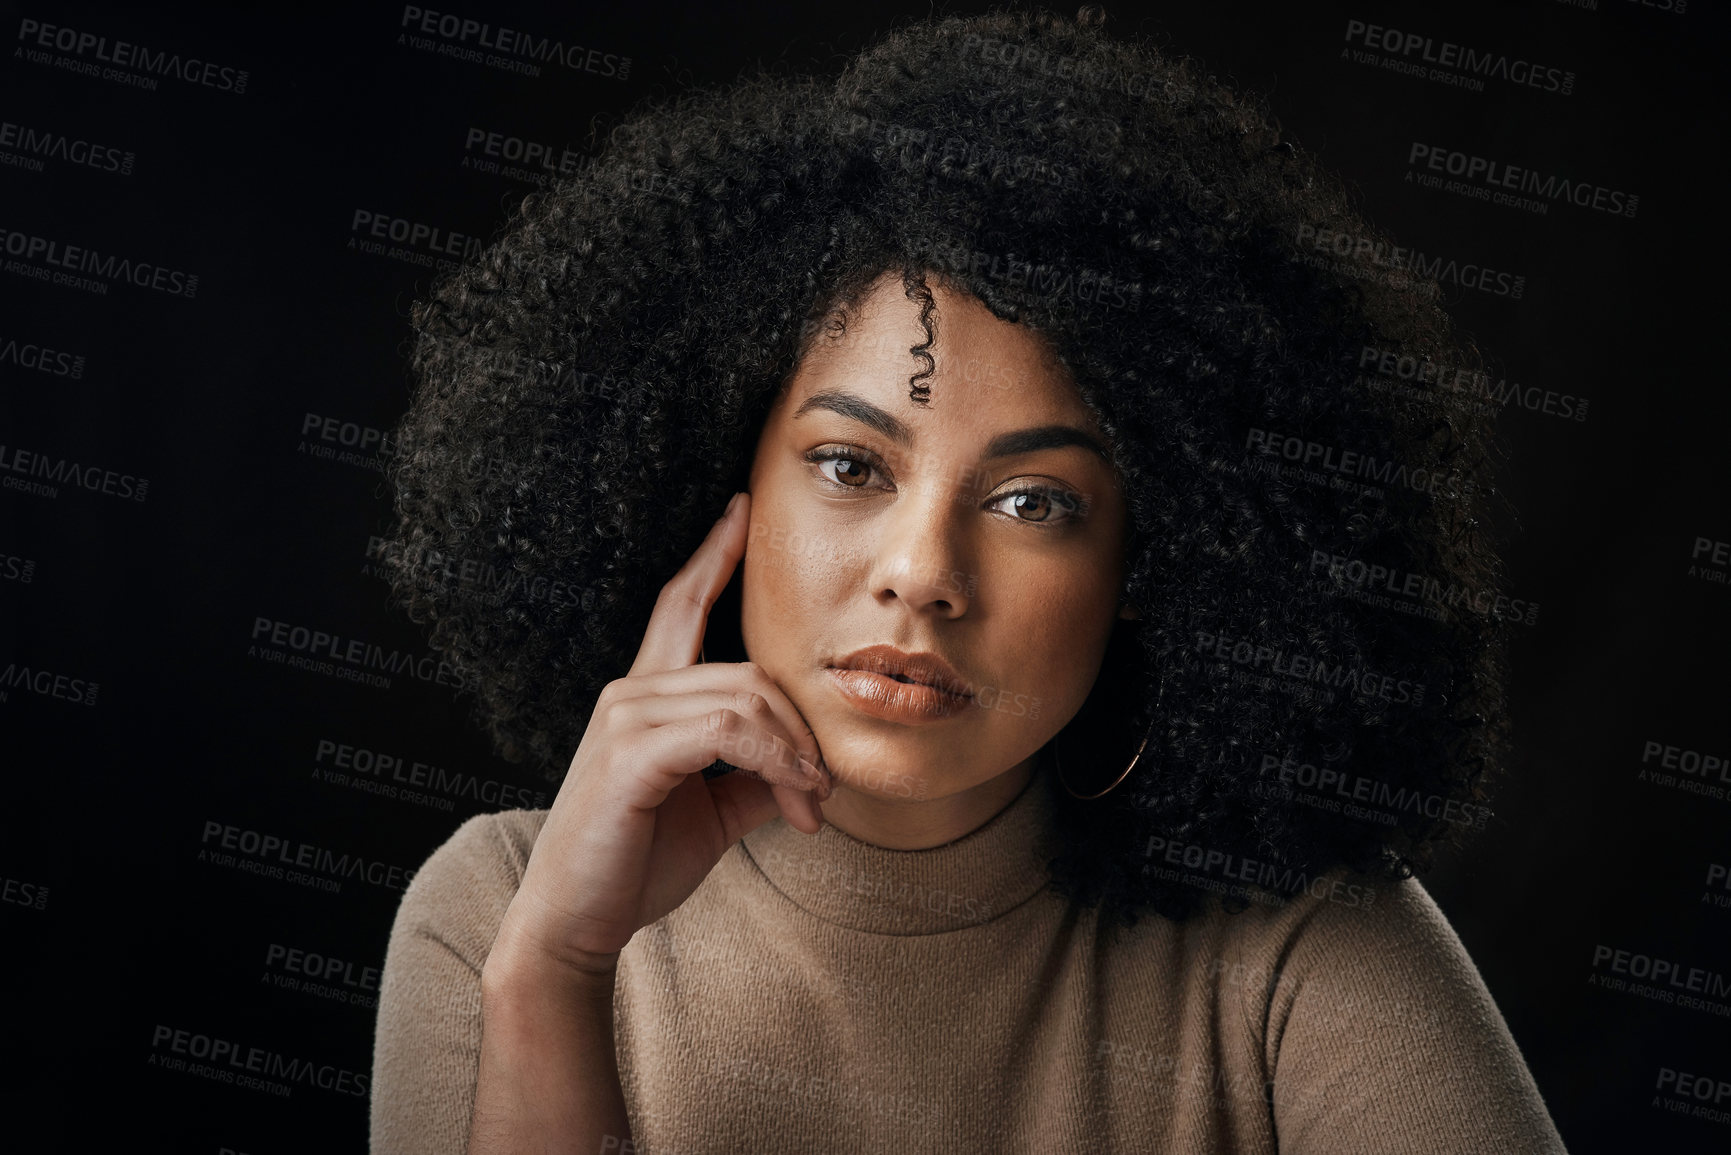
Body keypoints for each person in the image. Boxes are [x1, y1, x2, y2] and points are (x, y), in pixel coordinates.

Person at [369, 6, 1569, 1152]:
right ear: (712, 489)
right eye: (848, 464)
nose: (922, 574)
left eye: (1032, 503)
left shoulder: (1302, 954)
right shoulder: (502, 911)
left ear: (1153, 563)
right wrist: (558, 971)